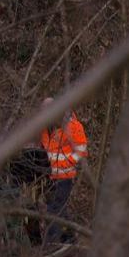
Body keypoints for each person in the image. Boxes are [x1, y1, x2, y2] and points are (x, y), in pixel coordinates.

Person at [39, 98, 88, 242]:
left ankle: (52, 243)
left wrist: (65, 163)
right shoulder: (44, 128)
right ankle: (71, 240)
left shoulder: (72, 125)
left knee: (54, 209)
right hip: (51, 177)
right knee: (61, 209)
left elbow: (82, 150)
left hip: (65, 175)